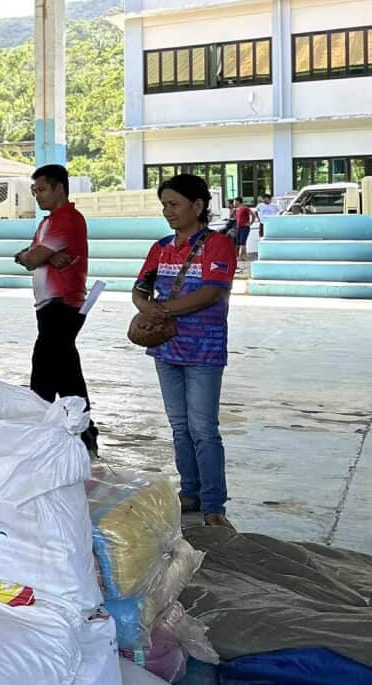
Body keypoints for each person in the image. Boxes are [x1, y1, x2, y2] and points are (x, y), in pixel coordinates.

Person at [133, 173, 237, 529]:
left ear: (198, 206)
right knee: (180, 426)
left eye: (174, 204)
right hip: (166, 349)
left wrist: (162, 310)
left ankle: (213, 504)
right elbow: (140, 288)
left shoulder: (218, 245)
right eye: (164, 205)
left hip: (204, 351)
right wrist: (148, 308)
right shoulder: (160, 248)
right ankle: (189, 492)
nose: (168, 211)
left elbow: (211, 292)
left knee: (204, 428)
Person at [15, 164, 98, 456]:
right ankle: (79, 430)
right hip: (48, 304)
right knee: (64, 370)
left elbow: (32, 256)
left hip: (62, 303)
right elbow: (26, 256)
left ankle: (46, 430)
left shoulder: (67, 220)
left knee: (46, 370)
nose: (37, 195)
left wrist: (38, 257)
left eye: (42, 189)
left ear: (59, 188)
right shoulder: (46, 223)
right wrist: (42, 258)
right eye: (34, 190)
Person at [232, 197, 252, 262]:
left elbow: (253, 214)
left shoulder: (245, 208)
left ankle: (240, 257)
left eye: (234, 201)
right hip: (238, 228)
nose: (233, 203)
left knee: (242, 243)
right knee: (240, 243)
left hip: (244, 228)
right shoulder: (236, 210)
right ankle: (244, 256)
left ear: (238, 201)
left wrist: (250, 223)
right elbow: (235, 218)